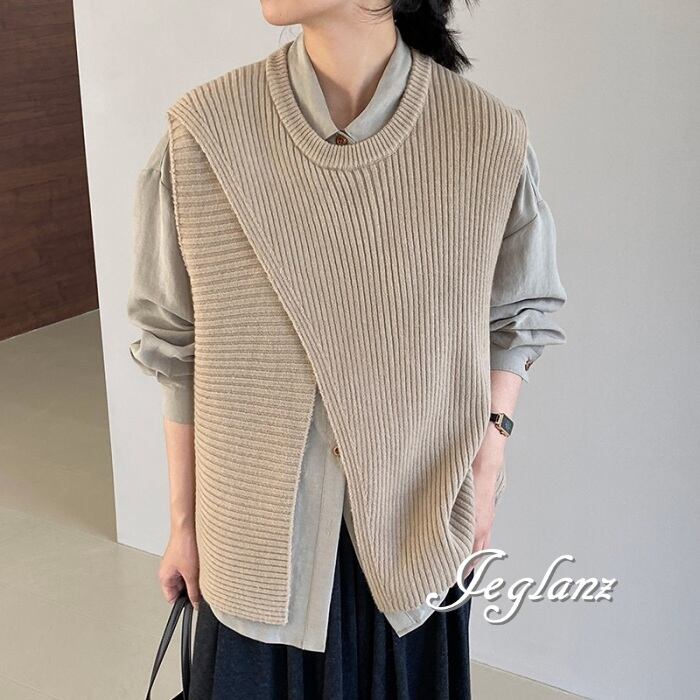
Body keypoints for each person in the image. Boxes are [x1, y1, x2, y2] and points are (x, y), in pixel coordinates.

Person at [127, 1, 567, 697]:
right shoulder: (205, 136)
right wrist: (184, 523)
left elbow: (515, 319)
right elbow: (175, 347)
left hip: (415, 530)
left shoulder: (483, 136)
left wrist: (485, 475)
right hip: (253, 546)